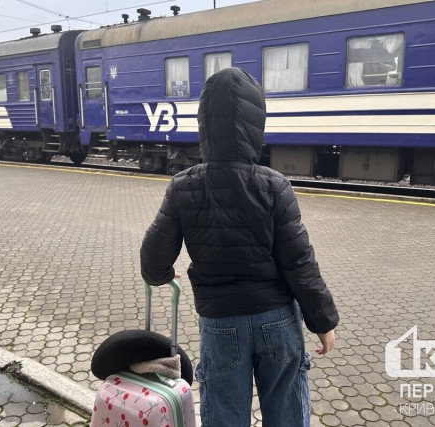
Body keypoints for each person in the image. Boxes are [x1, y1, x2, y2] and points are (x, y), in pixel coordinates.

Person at [140, 67, 339, 427]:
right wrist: (323, 321)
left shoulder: (183, 186)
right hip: (277, 318)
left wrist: (161, 275)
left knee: (224, 415)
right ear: (256, 123)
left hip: (220, 323)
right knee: (288, 413)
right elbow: (299, 262)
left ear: (204, 124)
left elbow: (153, 256)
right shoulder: (275, 185)